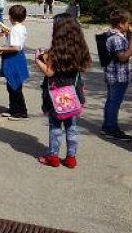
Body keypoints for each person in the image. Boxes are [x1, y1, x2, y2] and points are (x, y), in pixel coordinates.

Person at [36, 14, 90, 169]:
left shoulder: (55, 52)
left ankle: (53, 156)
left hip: (56, 96)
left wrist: (38, 60)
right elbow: (81, 68)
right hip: (73, 94)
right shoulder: (80, 50)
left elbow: (50, 73)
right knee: (71, 127)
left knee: (55, 127)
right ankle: (71, 157)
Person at [101, 10, 132, 141]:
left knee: (111, 101)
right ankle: (111, 129)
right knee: (114, 103)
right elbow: (122, 57)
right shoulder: (116, 38)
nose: (130, 25)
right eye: (128, 23)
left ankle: (107, 126)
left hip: (114, 74)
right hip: (118, 76)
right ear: (120, 24)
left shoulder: (114, 34)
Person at [0, 5, 29, 120]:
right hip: (18, 58)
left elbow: (16, 47)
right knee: (13, 86)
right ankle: (13, 108)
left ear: (11, 16)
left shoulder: (14, 30)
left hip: (14, 59)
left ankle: (20, 112)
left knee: (14, 86)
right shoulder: (21, 27)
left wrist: (1, 49)